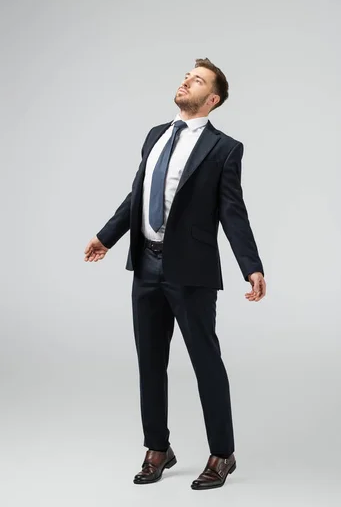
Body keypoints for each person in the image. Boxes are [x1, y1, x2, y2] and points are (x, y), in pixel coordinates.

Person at [84, 57, 266, 490]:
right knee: (150, 363)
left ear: (213, 99)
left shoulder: (224, 149)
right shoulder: (155, 136)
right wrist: (106, 237)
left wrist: (251, 266)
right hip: (145, 265)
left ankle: (223, 453)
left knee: (206, 363)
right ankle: (158, 449)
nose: (187, 81)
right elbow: (137, 194)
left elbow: (232, 212)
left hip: (192, 271)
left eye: (197, 80)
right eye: (187, 76)